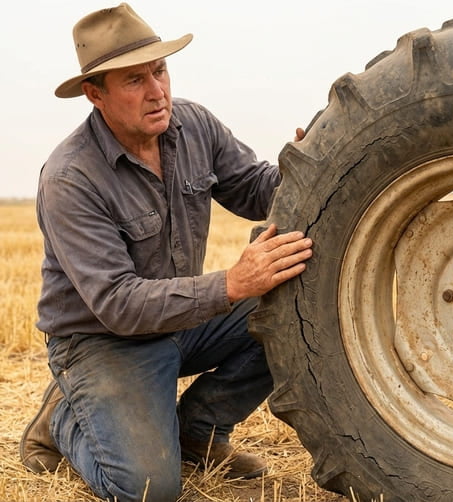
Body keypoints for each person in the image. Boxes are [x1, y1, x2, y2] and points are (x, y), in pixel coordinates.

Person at [18, 3, 314, 501]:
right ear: (95, 95)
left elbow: (258, 190)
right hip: (102, 342)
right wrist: (231, 284)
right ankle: (67, 418)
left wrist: (309, 168)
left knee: (301, 300)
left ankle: (199, 430)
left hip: (182, 322)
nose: (157, 92)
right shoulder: (70, 178)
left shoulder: (194, 126)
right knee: (149, 490)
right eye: (134, 80)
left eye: (159, 70)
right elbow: (118, 303)